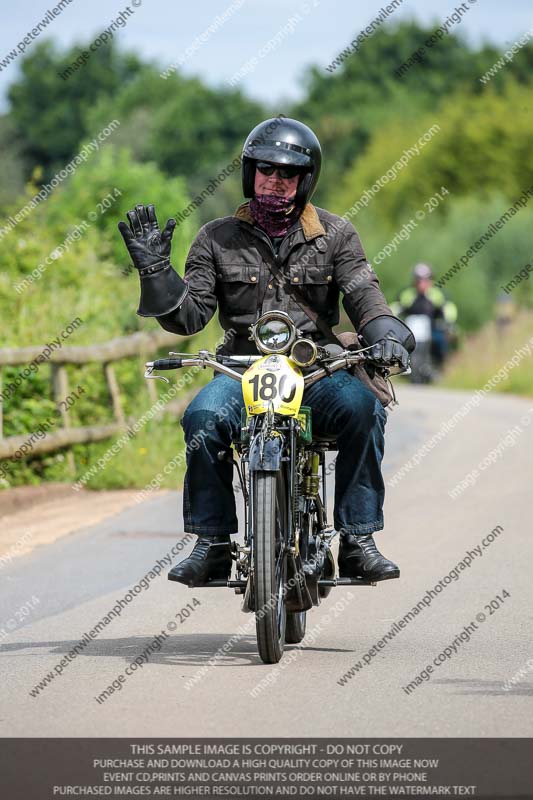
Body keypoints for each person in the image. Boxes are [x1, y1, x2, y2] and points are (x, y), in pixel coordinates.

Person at [118, 117, 415, 587]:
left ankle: (358, 541)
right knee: (203, 417)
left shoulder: (336, 235)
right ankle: (212, 544)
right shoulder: (215, 238)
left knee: (363, 408)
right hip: (240, 371)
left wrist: (388, 334)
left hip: (316, 370)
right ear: (249, 173)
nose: (273, 182)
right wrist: (157, 272)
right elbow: (189, 316)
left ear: (305, 179)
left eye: (286, 174)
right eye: (264, 171)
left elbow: (364, 296)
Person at [392, 263, 457, 367]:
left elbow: (448, 308)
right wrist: (391, 319)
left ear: (430, 280)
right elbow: (396, 308)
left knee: (441, 341)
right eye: (418, 280)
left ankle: (438, 365)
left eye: (425, 280)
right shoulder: (407, 294)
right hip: (412, 329)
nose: (421, 283)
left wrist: (449, 322)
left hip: (432, 328)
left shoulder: (437, 294)